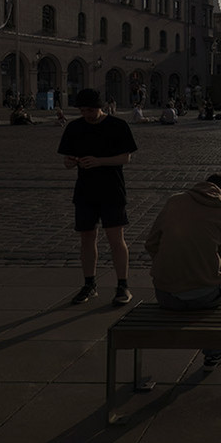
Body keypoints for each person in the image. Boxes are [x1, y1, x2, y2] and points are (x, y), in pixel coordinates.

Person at [145, 174, 221, 368]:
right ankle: (213, 352)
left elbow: (151, 243)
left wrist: (171, 264)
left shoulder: (175, 202)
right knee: (218, 277)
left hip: (166, 294)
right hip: (204, 296)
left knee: (203, 277)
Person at [58, 87, 138, 306]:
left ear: (101, 107)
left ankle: (123, 285)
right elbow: (66, 159)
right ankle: (89, 284)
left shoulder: (117, 126)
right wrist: (71, 162)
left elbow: (126, 158)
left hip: (112, 189)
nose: (87, 115)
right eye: (83, 110)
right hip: (85, 190)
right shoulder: (75, 127)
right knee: (86, 238)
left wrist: (99, 161)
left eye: (91, 110)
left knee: (115, 238)